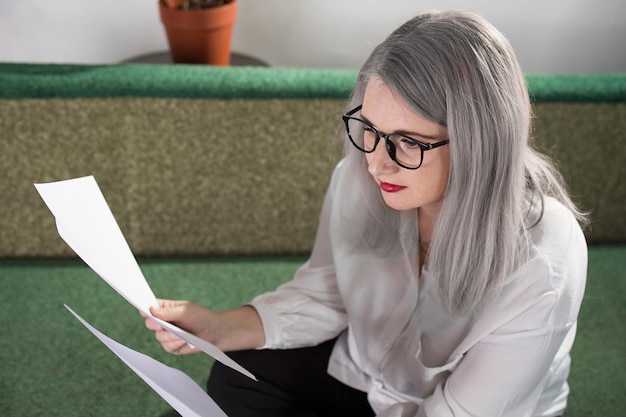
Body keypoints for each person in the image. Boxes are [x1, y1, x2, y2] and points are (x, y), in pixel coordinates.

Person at [143, 10, 588, 417]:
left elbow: (461, 411)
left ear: (479, 140)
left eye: (408, 141)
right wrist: (219, 328)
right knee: (235, 374)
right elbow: (328, 293)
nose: (377, 163)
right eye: (371, 130)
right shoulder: (361, 179)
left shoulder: (543, 261)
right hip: (366, 372)